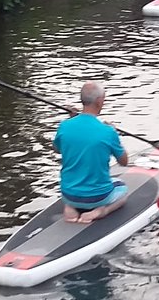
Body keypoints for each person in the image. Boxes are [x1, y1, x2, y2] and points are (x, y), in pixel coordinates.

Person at [53, 81, 130, 223]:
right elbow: (124, 161)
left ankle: (70, 208)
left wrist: (72, 120)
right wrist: (115, 135)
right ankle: (101, 211)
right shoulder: (108, 132)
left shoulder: (64, 126)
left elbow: (57, 149)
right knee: (122, 187)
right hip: (97, 198)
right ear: (99, 101)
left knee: (73, 187)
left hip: (68, 194)